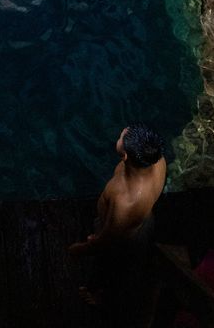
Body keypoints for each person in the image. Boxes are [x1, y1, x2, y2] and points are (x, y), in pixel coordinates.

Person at [69, 124, 166, 314]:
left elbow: (108, 240)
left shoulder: (126, 201)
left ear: (126, 156)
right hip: (142, 220)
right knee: (128, 263)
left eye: (122, 137)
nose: (123, 132)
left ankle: (101, 296)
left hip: (124, 236)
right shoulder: (156, 159)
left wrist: (82, 248)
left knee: (112, 267)